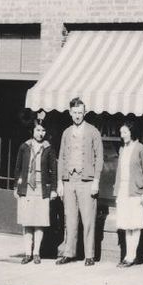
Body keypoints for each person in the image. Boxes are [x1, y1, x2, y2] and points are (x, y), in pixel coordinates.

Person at [56, 97, 103, 265]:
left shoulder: (93, 132)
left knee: (88, 218)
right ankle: (69, 252)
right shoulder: (66, 133)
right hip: (69, 180)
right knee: (70, 218)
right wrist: (60, 182)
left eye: (80, 113)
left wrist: (96, 180)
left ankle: (89, 255)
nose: (77, 115)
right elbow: (61, 158)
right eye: (74, 113)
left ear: (85, 112)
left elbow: (99, 158)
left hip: (87, 181)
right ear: (70, 113)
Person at [14, 121, 57, 263]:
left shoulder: (48, 148)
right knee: (27, 222)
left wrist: (53, 190)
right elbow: (18, 168)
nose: (41, 133)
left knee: (39, 222)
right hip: (27, 188)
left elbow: (54, 171)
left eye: (43, 130)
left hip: (41, 189)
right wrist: (16, 186)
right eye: (38, 130)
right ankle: (27, 253)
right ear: (33, 131)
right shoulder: (24, 147)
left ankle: (36, 252)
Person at [112, 121, 143, 266]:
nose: (122, 136)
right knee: (126, 224)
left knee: (135, 224)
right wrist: (116, 191)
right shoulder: (122, 149)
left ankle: (131, 256)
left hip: (136, 191)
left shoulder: (142, 149)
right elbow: (119, 172)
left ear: (132, 132)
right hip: (123, 191)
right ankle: (128, 256)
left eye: (125, 132)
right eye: (121, 133)